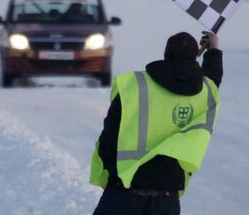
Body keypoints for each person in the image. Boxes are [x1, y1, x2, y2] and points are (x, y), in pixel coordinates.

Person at [90, 31, 222, 215]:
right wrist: (213, 50)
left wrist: (109, 173)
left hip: (125, 187)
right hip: (167, 194)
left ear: (166, 54)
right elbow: (214, 78)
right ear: (194, 57)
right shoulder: (205, 91)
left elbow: (109, 137)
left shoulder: (134, 85)